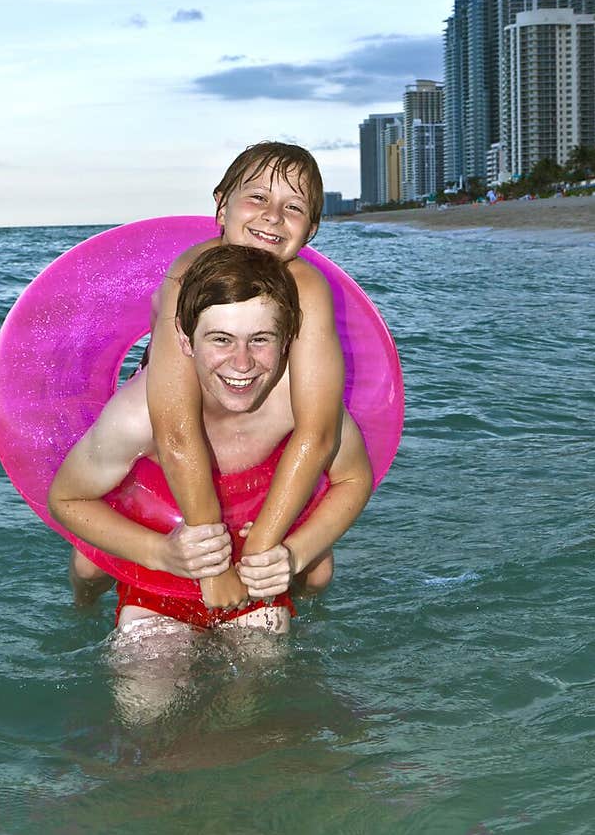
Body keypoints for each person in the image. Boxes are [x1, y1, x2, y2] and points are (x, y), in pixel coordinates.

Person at [69, 141, 346, 612]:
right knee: (90, 564)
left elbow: (318, 431)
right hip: (171, 401)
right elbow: (174, 426)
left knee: (317, 569)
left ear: (312, 229)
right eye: (257, 198)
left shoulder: (309, 289)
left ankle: (295, 613)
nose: (273, 217)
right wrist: (214, 568)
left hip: (245, 403)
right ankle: (81, 607)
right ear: (222, 205)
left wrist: (262, 548)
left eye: (293, 207)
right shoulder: (188, 275)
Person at [49, 244, 372, 640]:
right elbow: (65, 499)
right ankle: (83, 602)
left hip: (251, 555)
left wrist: (294, 554)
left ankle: (300, 601)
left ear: (287, 340)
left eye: (260, 340)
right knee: (144, 689)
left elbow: (353, 478)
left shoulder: (300, 402)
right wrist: (160, 552)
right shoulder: (138, 415)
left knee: (272, 656)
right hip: (163, 555)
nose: (242, 363)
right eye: (221, 339)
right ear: (185, 341)